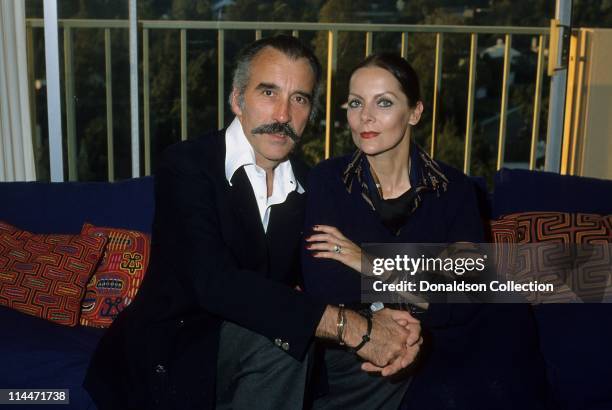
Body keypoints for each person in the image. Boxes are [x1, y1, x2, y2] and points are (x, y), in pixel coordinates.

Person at [83, 36, 421, 410]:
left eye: (299, 99)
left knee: (389, 364)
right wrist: (352, 328)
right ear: (237, 100)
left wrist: (384, 319)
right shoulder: (187, 165)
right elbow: (213, 282)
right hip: (176, 353)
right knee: (280, 342)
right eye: (268, 93)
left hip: (257, 357)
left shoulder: (314, 185)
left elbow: (327, 274)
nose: (283, 115)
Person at [303, 53, 548, 410]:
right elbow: (323, 283)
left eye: (384, 102)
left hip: (466, 342)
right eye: (356, 103)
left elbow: (465, 295)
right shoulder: (327, 181)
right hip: (377, 344)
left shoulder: (457, 189)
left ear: (415, 113)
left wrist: (365, 260)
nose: (365, 116)